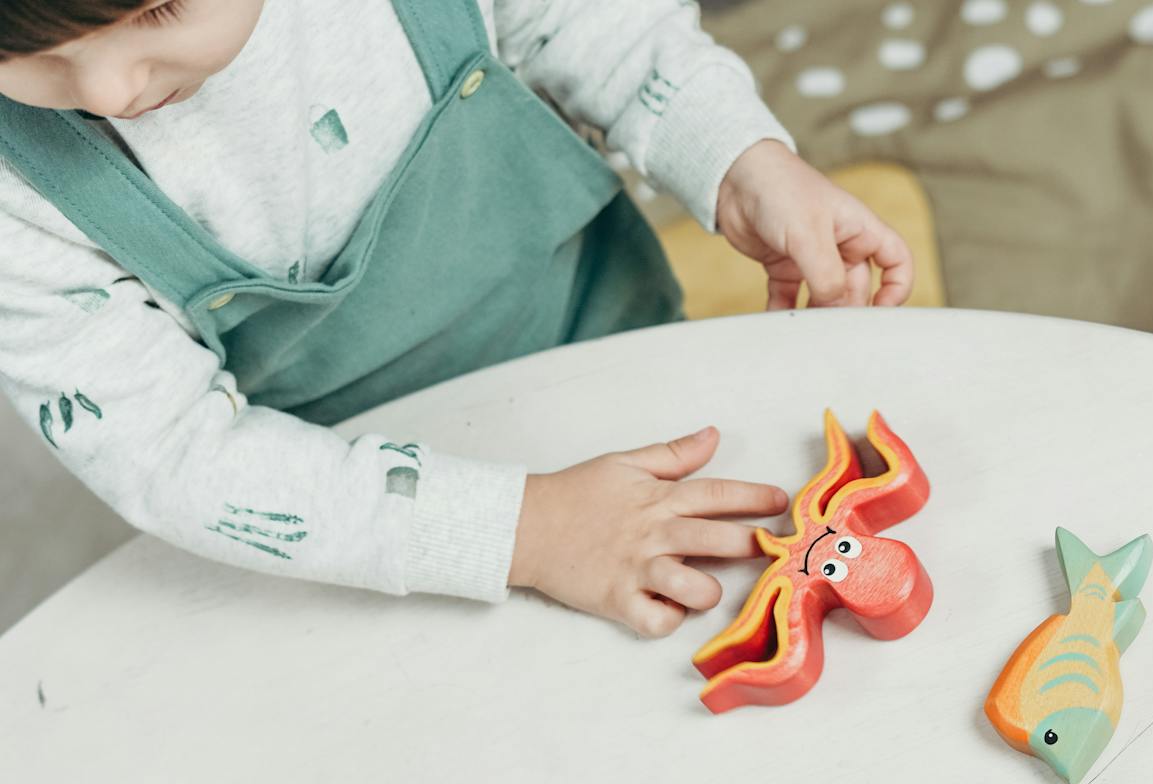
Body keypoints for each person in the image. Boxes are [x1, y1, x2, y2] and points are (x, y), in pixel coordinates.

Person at [0, 0, 914, 637]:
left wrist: (739, 158)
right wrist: (523, 532)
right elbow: (172, 455)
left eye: (160, 11)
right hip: (365, 529)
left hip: (619, 353)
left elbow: (598, 23)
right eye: (26, 53)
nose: (111, 90)